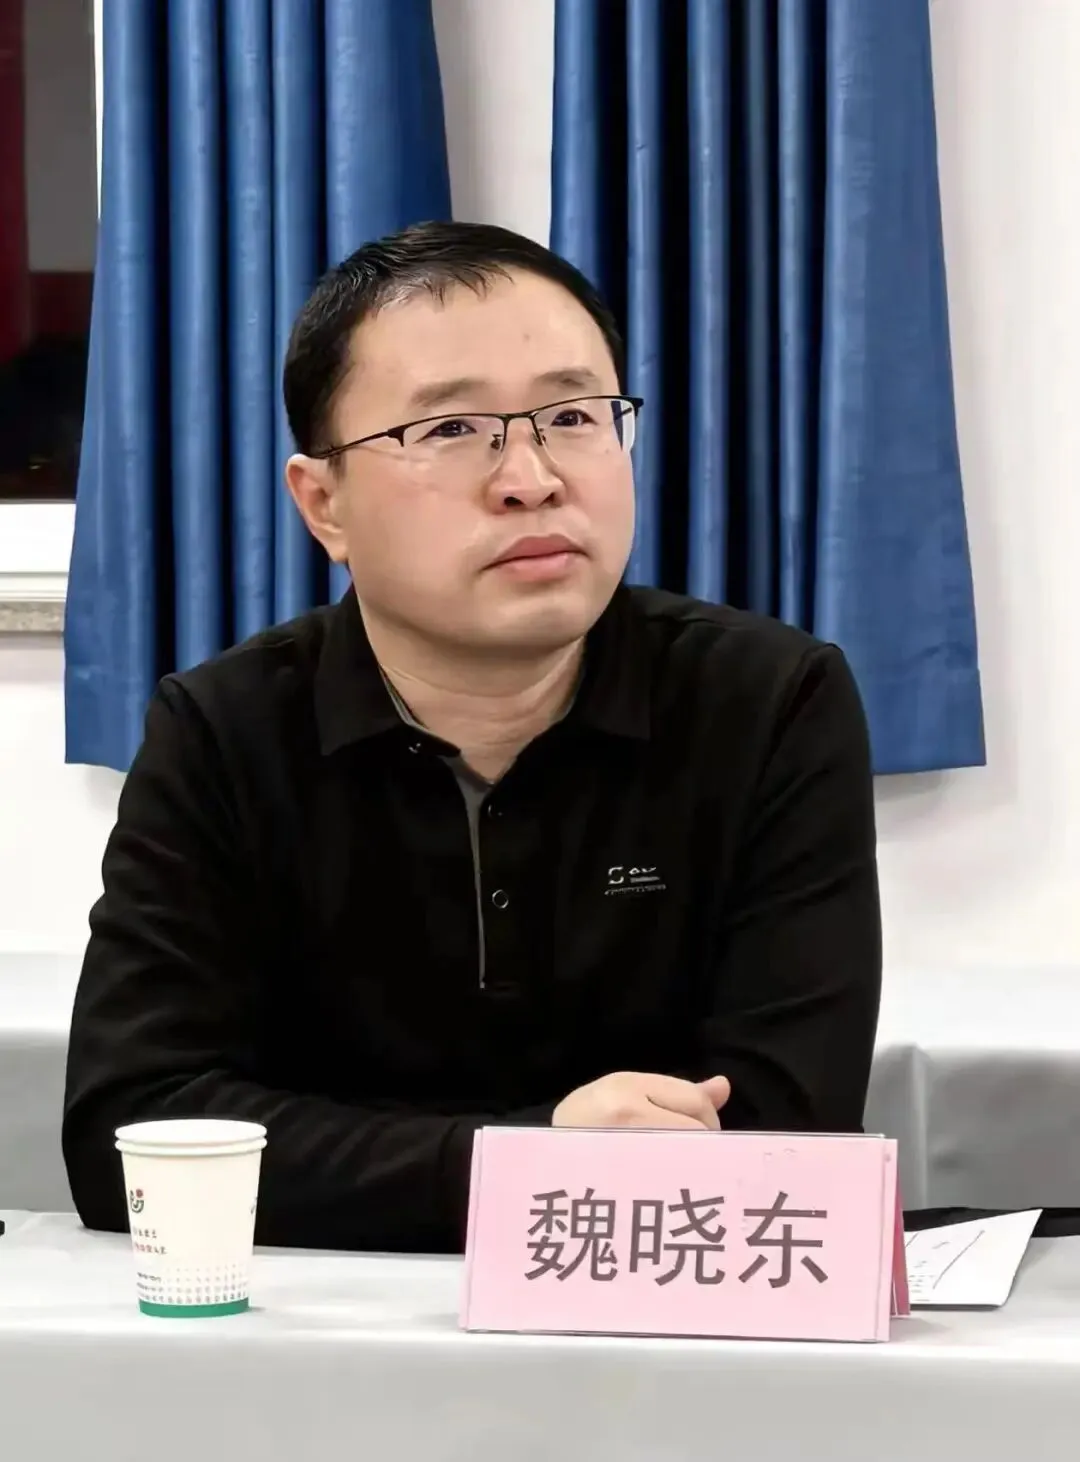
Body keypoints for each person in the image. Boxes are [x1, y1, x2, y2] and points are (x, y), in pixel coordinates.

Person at [62, 221, 881, 1254]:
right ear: (324, 503)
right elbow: (133, 1136)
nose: (531, 477)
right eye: (452, 428)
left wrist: (390, 1168)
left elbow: (786, 1132)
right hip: (318, 1326)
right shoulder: (224, 731)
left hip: (662, 1321)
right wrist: (527, 1159)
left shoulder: (768, 702)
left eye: (572, 415)